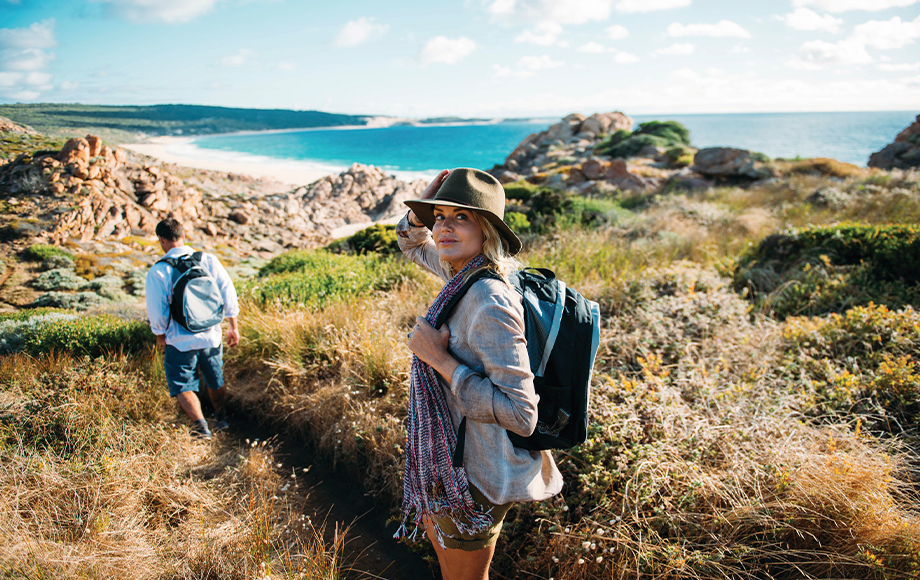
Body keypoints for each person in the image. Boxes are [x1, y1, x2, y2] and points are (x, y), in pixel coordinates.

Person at [395, 168, 562, 580]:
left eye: (461, 217)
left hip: (477, 476)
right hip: (452, 461)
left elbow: (522, 415)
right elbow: (411, 244)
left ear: (487, 230)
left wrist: (441, 359)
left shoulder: (488, 298)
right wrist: (422, 211)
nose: (443, 227)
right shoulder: (463, 272)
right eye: (440, 217)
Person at [145, 217, 240, 440]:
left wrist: (160, 335)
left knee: (182, 384)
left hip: (179, 340)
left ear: (161, 239)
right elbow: (228, 292)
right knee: (215, 380)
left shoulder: (159, 271)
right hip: (211, 335)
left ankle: (201, 426)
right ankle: (221, 417)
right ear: (183, 235)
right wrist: (232, 326)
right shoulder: (207, 260)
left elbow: (157, 312)